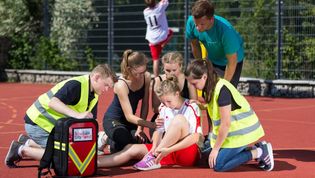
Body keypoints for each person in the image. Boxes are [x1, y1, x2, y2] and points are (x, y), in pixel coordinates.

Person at [4, 64, 116, 168]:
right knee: (64, 159)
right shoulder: (76, 85)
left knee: (74, 152)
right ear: (96, 77)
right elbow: (53, 102)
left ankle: (28, 142)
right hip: (37, 123)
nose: (106, 90)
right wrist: (77, 115)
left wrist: (91, 143)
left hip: (50, 127)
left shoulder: (94, 95)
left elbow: (90, 122)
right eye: (106, 85)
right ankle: (20, 149)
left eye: (109, 87)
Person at [185, 59, 274, 172]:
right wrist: (202, 106)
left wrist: (216, 149)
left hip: (242, 133)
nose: (193, 86)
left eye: (194, 83)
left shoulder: (222, 90)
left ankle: (259, 152)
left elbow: (225, 124)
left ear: (204, 77)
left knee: (218, 165)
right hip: (231, 134)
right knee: (205, 159)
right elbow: (216, 109)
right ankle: (247, 150)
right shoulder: (209, 87)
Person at [98, 76, 202, 171]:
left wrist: (168, 150)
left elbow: (196, 137)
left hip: (185, 152)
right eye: (163, 102)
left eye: (169, 101)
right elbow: (159, 131)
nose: (166, 105)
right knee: (131, 148)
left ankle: (154, 156)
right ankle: (94, 163)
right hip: (164, 150)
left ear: (177, 94)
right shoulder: (164, 107)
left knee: (179, 119)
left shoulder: (191, 107)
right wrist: (153, 147)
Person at [98, 49, 155, 154]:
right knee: (125, 142)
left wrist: (140, 129)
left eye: (143, 72)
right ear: (129, 69)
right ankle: (105, 138)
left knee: (144, 143)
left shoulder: (146, 76)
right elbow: (129, 115)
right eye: (139, 73)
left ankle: (115, 142)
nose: (142, 75)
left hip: (129, 123)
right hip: (114, 120)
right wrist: (151, 125)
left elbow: (145, 105)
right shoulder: (121, 84)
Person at [186, 0, 244, 87]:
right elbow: (195, 44)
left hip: (232, 61)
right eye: (196, 24)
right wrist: (201, 66)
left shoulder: (226, 31)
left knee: (225, 93)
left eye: (202, 24)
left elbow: (232, 61)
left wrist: (224, 86)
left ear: (211, 19)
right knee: (210, 90)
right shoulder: (191, 22)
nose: (197, 28)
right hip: (213, 60)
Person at [150, 51, 197, 136]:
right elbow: (155, 108)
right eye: (167, 70)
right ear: (163, 68)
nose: (171, 73)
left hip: (185, 118)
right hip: (163, 119)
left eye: (174, 70)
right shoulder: (158, 80)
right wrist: (167, 112)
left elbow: (194, 104)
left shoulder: (188, 80)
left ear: (180, 66)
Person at [144, 0, 173, 77]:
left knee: (155, 60)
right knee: (171, 32)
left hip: (152, 39)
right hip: (162, 36)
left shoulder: (145, 12)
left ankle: (156, 78)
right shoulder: (160, 7)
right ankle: (163, 44)